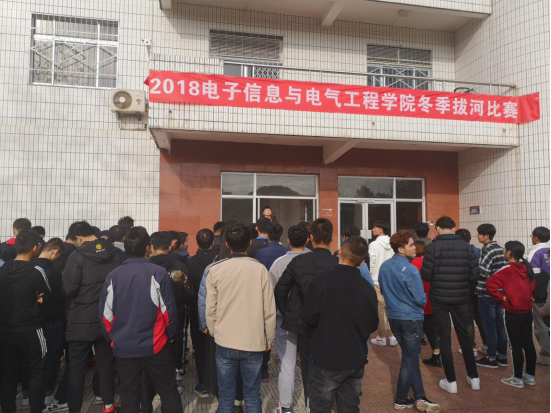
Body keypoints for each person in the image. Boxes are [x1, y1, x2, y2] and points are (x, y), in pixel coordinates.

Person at [99, 227, 183, 413]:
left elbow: (106, 315)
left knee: (129, 393)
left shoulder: (113, 276)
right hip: (155, 344)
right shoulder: (158, 273)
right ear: (148, 247)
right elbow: (169, 312)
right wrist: (169, 336)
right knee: (167, 390)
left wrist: (113, 339)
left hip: (124, 345)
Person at [301, 237, 380, 413]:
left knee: (320, 408)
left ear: (340, 251)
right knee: (350, 407)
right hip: (354, 357)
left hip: (326, 357)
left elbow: (309, 316)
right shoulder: (367, 288)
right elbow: (372, 323)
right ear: (362, 261)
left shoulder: (323, 280)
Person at [205, 224, 276, 413]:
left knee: (226, 396)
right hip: (253, 341)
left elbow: (210, 309)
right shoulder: (260, 270)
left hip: (225, 340)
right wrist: (269, 338)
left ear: (227, 244)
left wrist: (215, 331)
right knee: (252, 395)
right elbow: (269, 310)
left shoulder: (215, 270)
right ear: (250, 243)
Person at [274, 218, 339, 409]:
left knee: (308, 367)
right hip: (331, 322)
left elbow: (280, 290)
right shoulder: (338, 263)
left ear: (311, 237)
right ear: (331, 237)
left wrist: (289, 315)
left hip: (304, 323)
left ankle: (311, 406)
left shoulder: (299, 261)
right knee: (329, 365)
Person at [62, 221, 124, 413]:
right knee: (106, 364)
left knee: (76, 368)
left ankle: (74, 408)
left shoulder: (76, 257)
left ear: (78, 238)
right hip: (107, 318)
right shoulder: (117, 254)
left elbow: (69, 289)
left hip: (80, 321)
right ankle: (108, 405)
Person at [380, 232, 441, 412]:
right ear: (401, 249)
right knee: (409, 359)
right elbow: (421, 299)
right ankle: (401, 399)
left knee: (410, 358)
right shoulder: (411, 269)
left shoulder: (384, 267)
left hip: (394, 317)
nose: (415, 248)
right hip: (411, 318)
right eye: (411, 245)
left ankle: (420, 396)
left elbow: (383, 291)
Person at [421, 216, 480, 395]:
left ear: (438, 228)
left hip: (439, 298)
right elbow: (474, 275)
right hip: (461, 298)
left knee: (444, 338)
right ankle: (474, 378)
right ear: (454, 227)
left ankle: (451, 381)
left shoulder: (433, 248)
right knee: (464, 337)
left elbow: (426, 276)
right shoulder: (467, 247)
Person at [0, 230, 50, 413]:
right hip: (31, 329)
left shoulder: (2, 269)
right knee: (37, 372)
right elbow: (47, 296)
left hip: (5, 330)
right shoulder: (36, 271)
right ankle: (36, 409)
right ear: (35, 247)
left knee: (8, 374)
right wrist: (36, 299)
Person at [269, 225, 310, 413]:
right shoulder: (314, 260)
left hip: (285, 320)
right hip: (311, 321)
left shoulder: (279, 263)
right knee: (312, 364)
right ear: (308, 240)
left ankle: (285, 406)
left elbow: (271, 293)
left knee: (287, 364)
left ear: (288, 241)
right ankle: (312, 405)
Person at [486, 241, 537, 389]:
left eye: (505, 250)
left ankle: (517, 379)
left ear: (509, 252)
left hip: (512, 312)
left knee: (515, 345)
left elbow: (490, 284)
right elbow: (534, 288)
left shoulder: (507, 269)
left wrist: (501, 297)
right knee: (528, 343)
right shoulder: (527, 268)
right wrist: (530, 298)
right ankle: (530, 376)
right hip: (527, 312)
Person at [149, 232, 193, 381]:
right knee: (176, 338)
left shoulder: (147, 266)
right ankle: (178, 368)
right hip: (176, 309)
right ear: (170, 247)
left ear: (152, 247)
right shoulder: (179, 265)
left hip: (152, 312)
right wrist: (187, 304)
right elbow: (188, 290)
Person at [31, 239, 65, 404]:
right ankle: (48, 392)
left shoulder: (29, 266)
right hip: (52, 319)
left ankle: (28, 392)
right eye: (60, 255)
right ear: (55, 251)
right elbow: (58, 297)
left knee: (34, 356)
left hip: (32, 321)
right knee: (52, 355)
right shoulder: (52, 272)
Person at [187, 228, 219, 399]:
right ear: (213, 242)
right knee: (218, 346)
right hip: (218, 310)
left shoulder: (190, 263)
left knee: (200, 348)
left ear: (197, 243)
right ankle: (218, 381)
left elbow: (188, 289)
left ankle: (204, 385)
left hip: (196, 310)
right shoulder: (219, 261)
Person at [475, 224, 509, 369]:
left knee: (489, 327)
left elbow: (483, 272)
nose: (477, 236)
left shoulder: (487, 250)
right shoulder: (501, 249)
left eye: (479, 234)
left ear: (487, 236)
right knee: (500, 326)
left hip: (486, 292)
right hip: (500, 292)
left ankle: (491, 358)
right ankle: (502, 357)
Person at [456, 229, 486, 358]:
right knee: (480, 318)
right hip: (479, 289)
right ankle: (487, 345)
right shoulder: (479, 251)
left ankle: (471, 347)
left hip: (466, 289)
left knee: (468, 319)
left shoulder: (459, 253)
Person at [412, 241, 441, 368]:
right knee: (432, 328)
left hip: (419, 299)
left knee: (417, 329)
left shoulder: (414, 263)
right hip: (432, 297)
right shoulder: (430, 261)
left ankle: (414, 356)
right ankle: (436, 354)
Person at [369, 220, 397, 347]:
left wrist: (370, 275)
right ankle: (393, 336)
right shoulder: (392, 243)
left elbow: (372, 261)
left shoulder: (373, 244)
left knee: (380, 309)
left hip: (376, 280)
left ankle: (381, 336)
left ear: (381, 229)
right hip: (391, 280)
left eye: (374, 227)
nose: (372, 229)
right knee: (390, 307)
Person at [528, 227, 550, 366]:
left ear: (536, 238)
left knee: (540, 324)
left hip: (541, 294)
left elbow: (531, 274)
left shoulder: (535, 251)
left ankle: (547, 354)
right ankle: (544, 351)